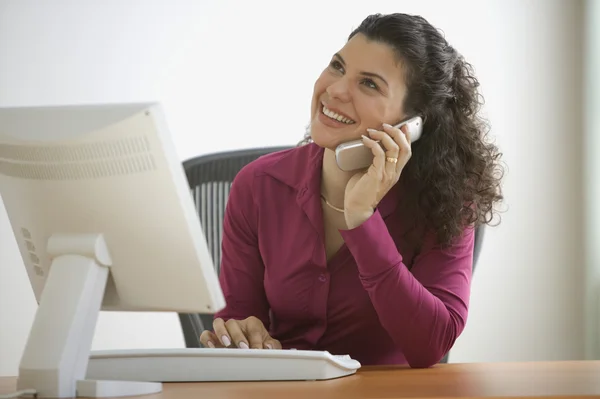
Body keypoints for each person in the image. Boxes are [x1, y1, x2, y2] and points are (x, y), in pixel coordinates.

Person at [199, 12, 504, 368]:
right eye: (338, 66)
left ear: (412, 125)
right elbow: (238, 315)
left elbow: (429, 345)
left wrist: (361, 220)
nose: (336, 90)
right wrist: (238, 334)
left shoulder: (446, 202)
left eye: (370, 84)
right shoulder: (257, 185)